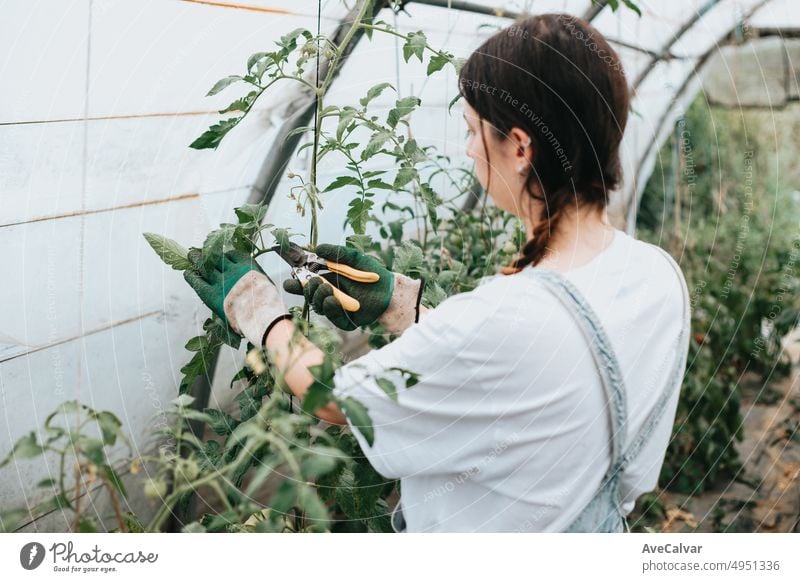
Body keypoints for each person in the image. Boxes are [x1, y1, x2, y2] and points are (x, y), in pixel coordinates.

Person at [184, 13, 691, 532]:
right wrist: (405, 308)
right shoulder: (657, 277)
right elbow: (527, 378)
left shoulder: (507, 315)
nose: (469, 149)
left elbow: (338, 400)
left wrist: (261, 313)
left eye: (473, 131)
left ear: (520, 147)